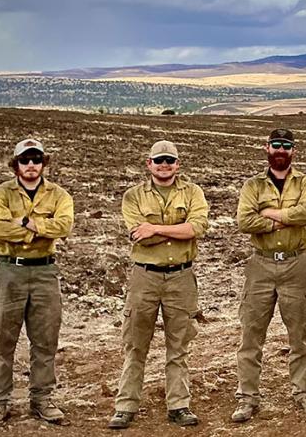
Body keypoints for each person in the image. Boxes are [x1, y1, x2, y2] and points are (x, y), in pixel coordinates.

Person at [108, 141, 209, 429]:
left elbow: (197, 228)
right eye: (159, 160)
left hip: (181, 277)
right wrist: (177, 232)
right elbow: (139, 235)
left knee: (179, 346)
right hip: (145, 278)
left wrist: (155, 228)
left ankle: (179, 405)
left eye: (170, 160)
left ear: (178, 164)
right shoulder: (133, 196)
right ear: (148, 164)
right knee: (135, 345)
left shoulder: (193, 192)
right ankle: (125, 406)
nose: (164, 165)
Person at [0, 138, 74, 426]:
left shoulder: (59, 195)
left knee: (45, 341)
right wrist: (40, 231)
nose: (31, 165)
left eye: (36, 159)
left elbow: (65, 226)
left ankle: (42, 400)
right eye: (25, 160)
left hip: (45, 273)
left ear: (44, 163)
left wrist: (26, 223)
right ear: (16, 164)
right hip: (9, 272)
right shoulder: (1, 194)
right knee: (2, 339)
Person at [231, 129, 306, 422]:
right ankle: (247, 397)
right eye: (276, 145)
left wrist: (271, 214)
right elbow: (244, 221)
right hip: (261, 265)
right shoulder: (252, 185)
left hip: (297, 265)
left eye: (286, 145)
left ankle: (304, 392)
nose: (280, 150)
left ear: (293, 151)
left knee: (300, 333)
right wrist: (279, 223)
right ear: (266, 148)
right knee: (251, 334)